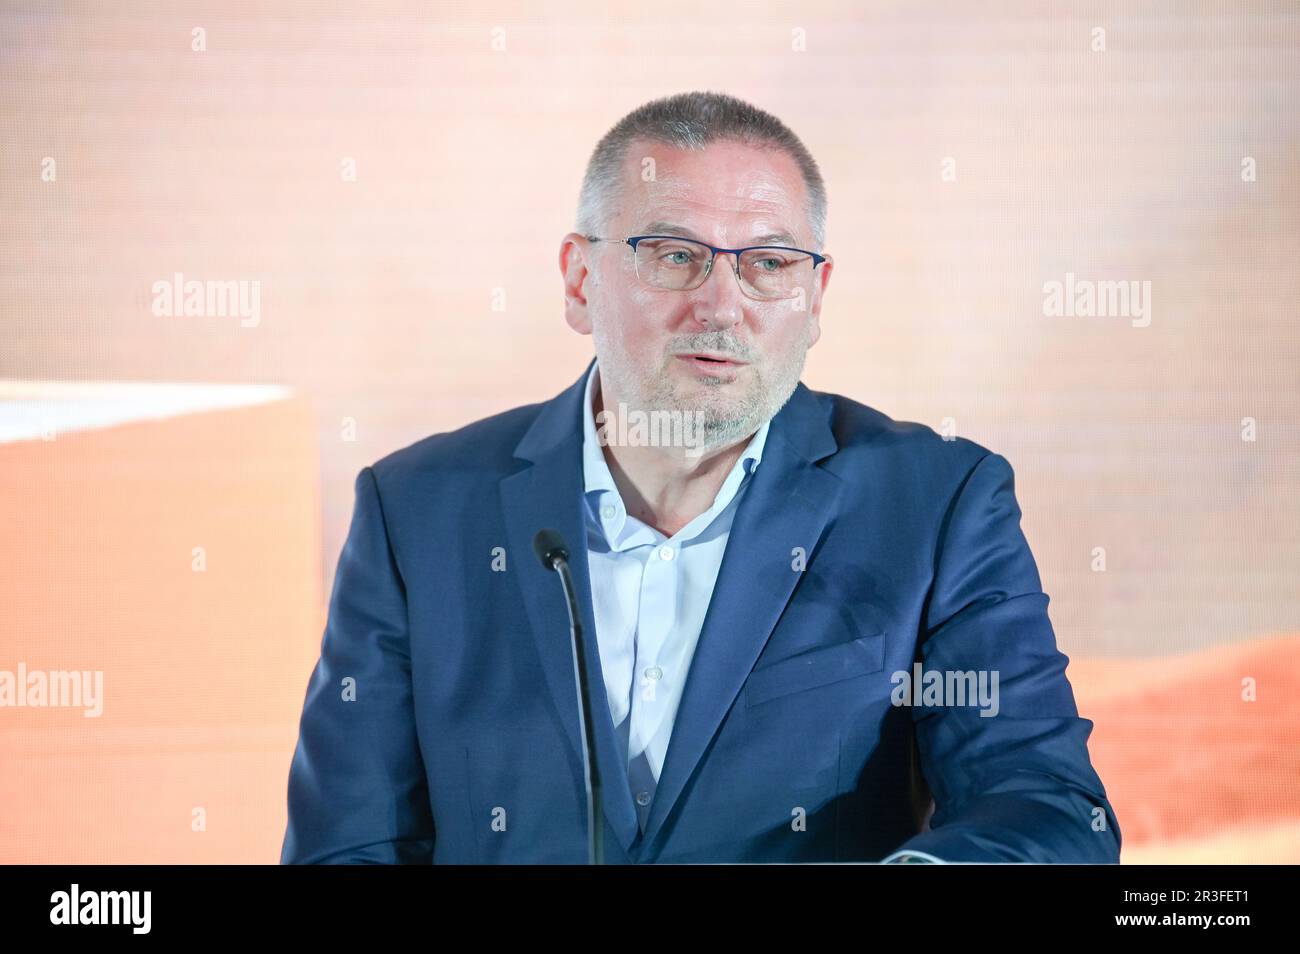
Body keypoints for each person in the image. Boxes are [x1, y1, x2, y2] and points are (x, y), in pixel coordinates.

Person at [281, 90, 1121, 864]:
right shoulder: (418, 512)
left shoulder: (936, 505)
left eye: (768, 263)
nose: (721, 305)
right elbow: (347, 846)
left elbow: (1045, 809)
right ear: (579, 281)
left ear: (816, 295)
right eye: (674, 255)